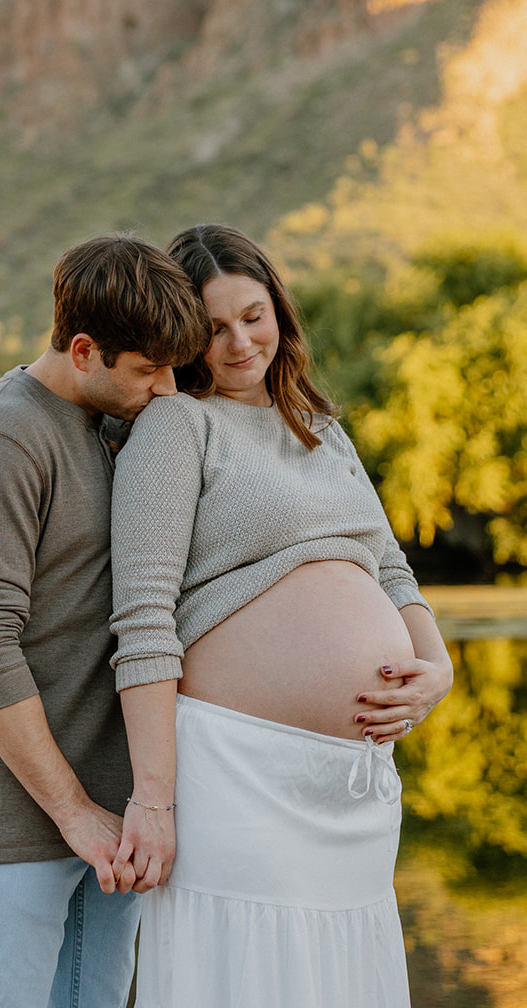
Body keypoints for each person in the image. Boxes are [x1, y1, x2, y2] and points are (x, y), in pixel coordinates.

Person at [109, 224, 454, 1008]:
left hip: (350, 787)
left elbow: (390, 566)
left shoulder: (319, 427)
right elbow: (143, 621)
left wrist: (438, 669)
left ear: (279, 312)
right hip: (234, 777)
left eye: (253, 315)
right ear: (184, 338)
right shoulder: (176, 428)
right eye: (213, 326)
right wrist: (152, 799)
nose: (238, 343)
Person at [0, 232, 210, 1008]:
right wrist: (71, 811)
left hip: (112, 818)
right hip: (25, 818)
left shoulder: (117, 424)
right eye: (148, 371)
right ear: (83, 349)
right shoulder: (0, 440)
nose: (167, 389)